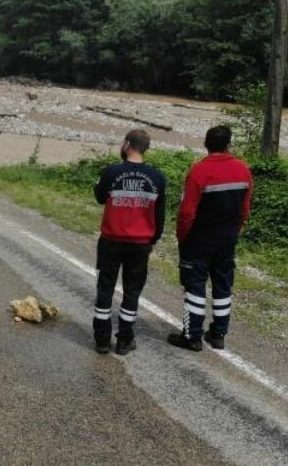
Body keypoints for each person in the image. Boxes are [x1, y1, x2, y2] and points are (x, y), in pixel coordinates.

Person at [168, 125, 254, 352]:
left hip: (199, 238)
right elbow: (245, 208)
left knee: (195, 284)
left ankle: (192, 336)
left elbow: (187, 212)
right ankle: (218, 334)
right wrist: (236, 229)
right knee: (223, 284)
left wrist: (182, 236)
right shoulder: (243, 169)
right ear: (229, 145)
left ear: (206, 144)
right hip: (227, 238)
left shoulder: (199, 171)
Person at [93, 129, 167, 355]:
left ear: (126, 144)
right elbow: (160, 215)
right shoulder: (157, 177)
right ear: (146, 148)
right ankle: (125, 340)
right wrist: (153, 239)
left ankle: (102, 340)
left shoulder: (112, 171)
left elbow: (99, 197)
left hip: (111, 240)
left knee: (105, 289)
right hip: (140, 244)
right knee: (132, 291)